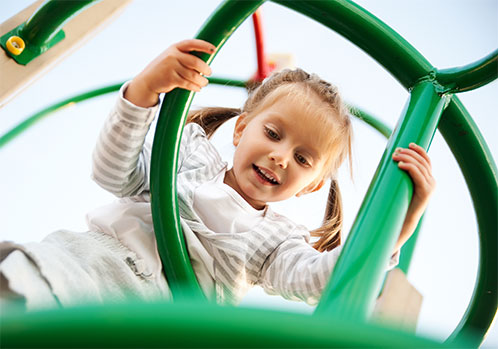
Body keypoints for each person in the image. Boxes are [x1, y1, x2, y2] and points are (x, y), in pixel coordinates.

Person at [0, 39, 435, 309]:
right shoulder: (188, 154)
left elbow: (324, 281)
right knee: (23, 285)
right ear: (242, 128)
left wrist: (397, 228)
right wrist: (143, 92)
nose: (281, 157)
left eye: (304, 159)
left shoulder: (276, 243)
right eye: (273, 133)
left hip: (153, 319)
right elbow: (114, 171)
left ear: (315, 185)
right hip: (91, 263)